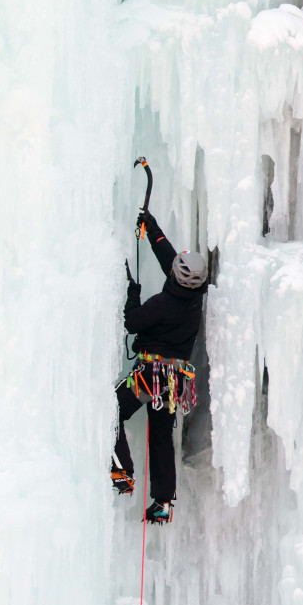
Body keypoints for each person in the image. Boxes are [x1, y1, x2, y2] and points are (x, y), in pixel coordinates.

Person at [112, 211, 208, 523]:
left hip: (150, 376)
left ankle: (121, 469)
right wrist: (153, 229)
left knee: (111, 409)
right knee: (161, 436)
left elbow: (132, 322)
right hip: (173, 382)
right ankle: (163, 502)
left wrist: (131, 295)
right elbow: (168, 257)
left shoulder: (164, 304)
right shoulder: (193, 298)